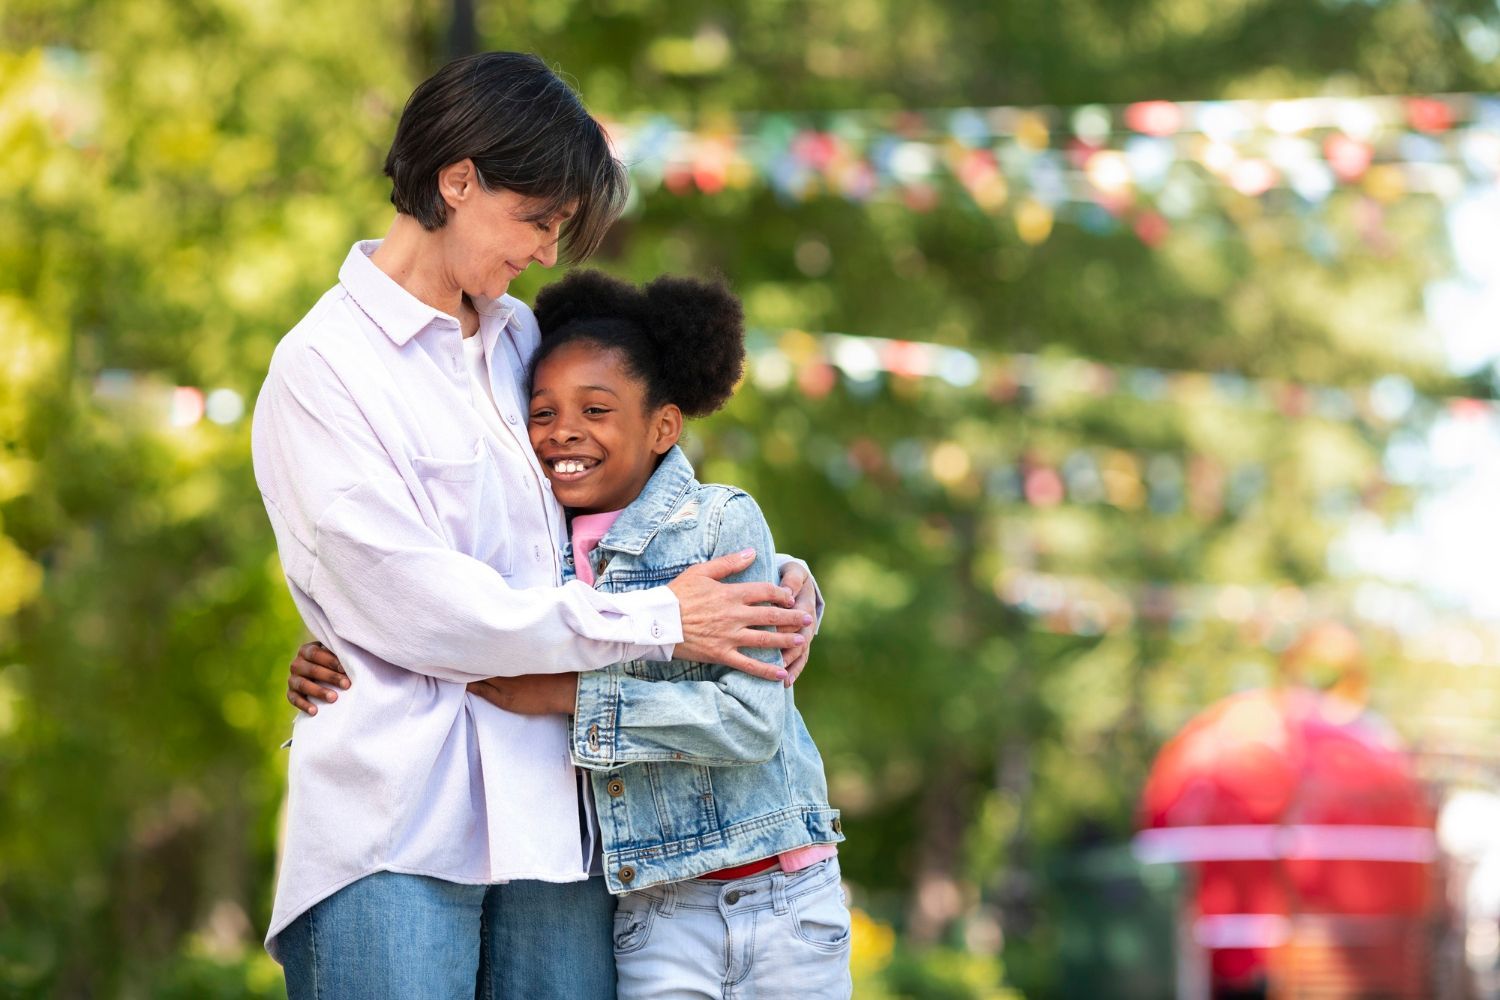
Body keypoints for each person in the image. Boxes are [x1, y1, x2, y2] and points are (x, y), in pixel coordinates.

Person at [252, 52, 820, 999]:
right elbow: (416, 604)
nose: (550, 254)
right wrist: (666, 619)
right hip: (395, 830)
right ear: (458, 180)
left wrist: (769, 577)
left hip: (558, 828)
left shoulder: (523, 340)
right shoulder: (323, 369)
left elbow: (629, 504)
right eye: (537, 220)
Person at [295, 269, 853, 999]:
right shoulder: (542, 548)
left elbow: (751, 721)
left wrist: (571, 696)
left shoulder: (718, 521)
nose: (563, 430)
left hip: (782, 894)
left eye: (596, 409)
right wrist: (346, 645)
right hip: (653, 909)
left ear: (663, 426)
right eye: (542, 412)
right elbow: (436, 594)